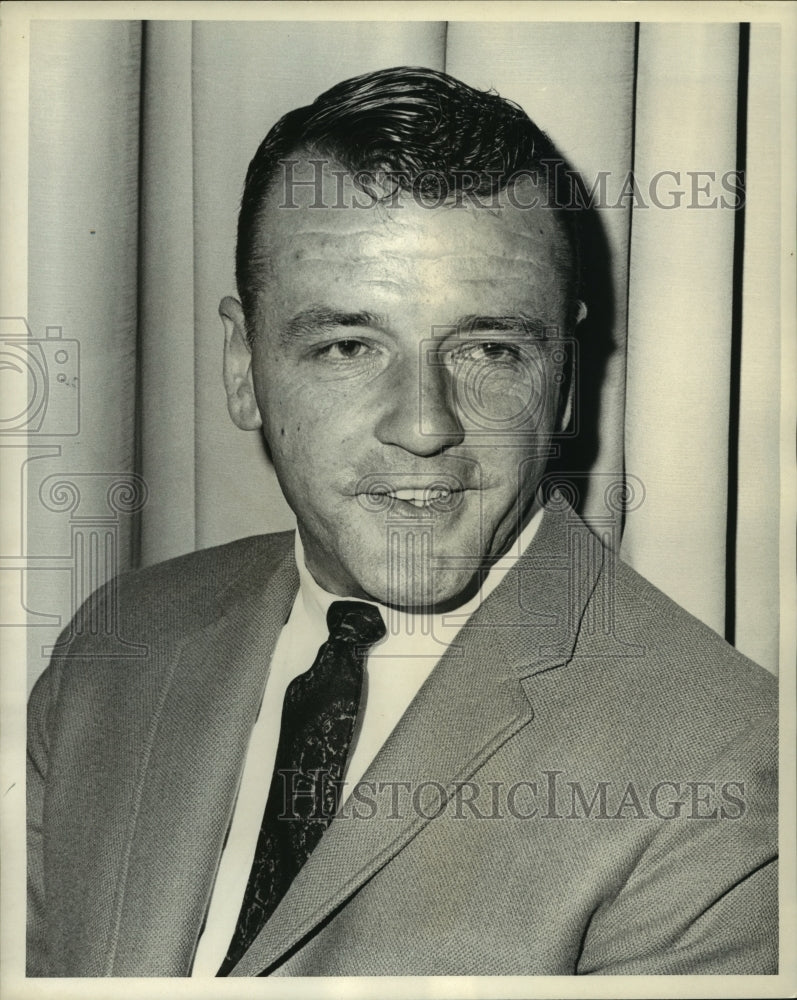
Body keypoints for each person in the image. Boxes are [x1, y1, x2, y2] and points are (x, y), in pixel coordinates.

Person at [27, 66, 777, 978]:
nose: (425, 425)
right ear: (242, 364)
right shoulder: (119, 642)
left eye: (489, 349)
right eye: (348, 346)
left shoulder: (729, 768)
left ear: (565, 381)